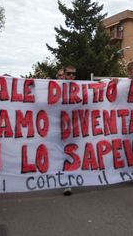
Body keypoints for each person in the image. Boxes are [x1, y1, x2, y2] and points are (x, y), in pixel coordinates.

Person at [57, 65, 77, 195]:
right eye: (68, 74)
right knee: (60, 154)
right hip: (56, 127)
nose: (71, 76)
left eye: (73, 74)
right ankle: (62, 179)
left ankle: (68, 182)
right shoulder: (54, 88)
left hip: (74, 127)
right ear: (63, 74)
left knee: (72, 154)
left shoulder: (79, 87)